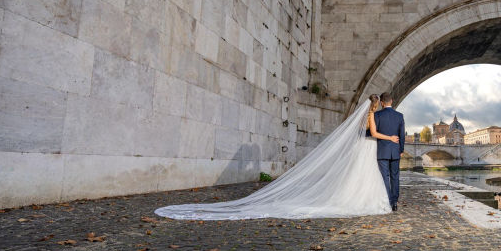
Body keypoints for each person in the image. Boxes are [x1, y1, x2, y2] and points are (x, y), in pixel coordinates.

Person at [154, 95, 398, 220]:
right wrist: (391, 139)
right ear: (377, 106)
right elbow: (374, 133)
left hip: (364, 148)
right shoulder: (372, 118)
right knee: (368, 178)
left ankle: (363, 201)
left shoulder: (367, 115)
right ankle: (372, 202)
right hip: (370, 146)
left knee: (359, 178)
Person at [373, 92, 405, 211]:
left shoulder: (377, 115)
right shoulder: (399, 116)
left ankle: (387, 201)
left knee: (384, 177)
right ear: (391, 101)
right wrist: (401, 149)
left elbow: (372, 132)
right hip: (395, 151)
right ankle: (395, 202)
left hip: (382, 151)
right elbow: (402, 135)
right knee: (395, 177)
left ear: (381, 103)